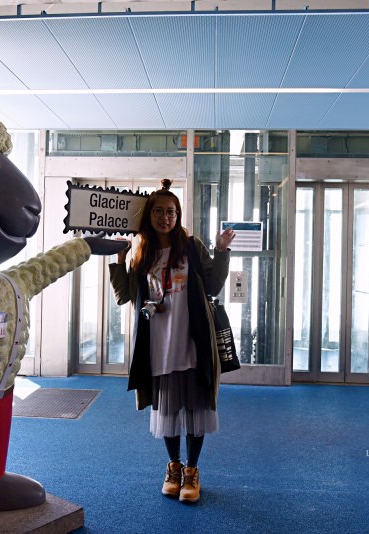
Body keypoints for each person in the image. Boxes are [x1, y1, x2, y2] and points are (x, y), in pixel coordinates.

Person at [109, 179, 235, 504]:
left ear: (178, 215)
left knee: (194, 409)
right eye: (159, 211)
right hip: (158, 346)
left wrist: (222, 250)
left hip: (191, 343)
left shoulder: (191, 246)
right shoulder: (143, 254)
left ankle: (192, 470)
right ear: (149, 215)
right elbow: (124, 295)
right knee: (166, 411)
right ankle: (173, 467)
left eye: (171, 212)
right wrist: (118, 260)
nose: (166, 218)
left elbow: (214, 285)